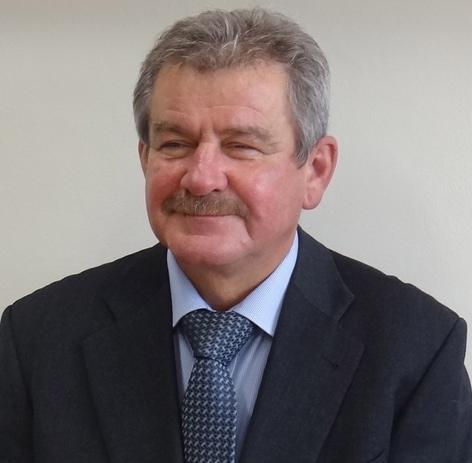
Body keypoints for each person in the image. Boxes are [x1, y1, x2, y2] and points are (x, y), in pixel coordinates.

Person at [1, 8, 470, 463]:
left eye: (241, 146)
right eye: (175, 144)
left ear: (315, 170)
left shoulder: (416, 350)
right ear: (146, 159)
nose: (201, 178)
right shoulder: (37, 339)